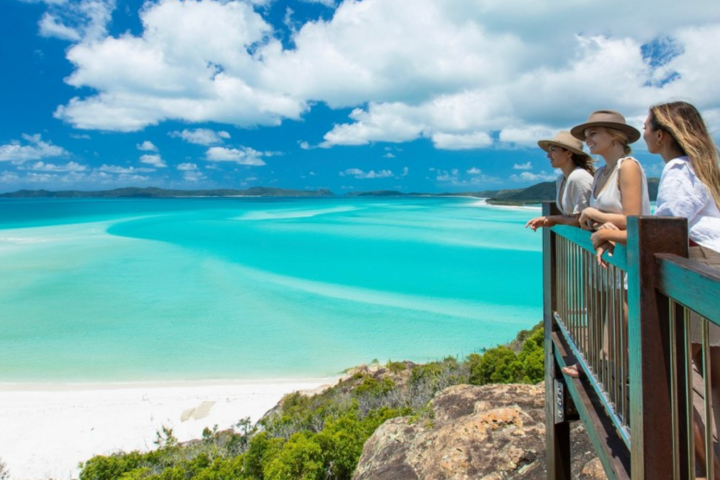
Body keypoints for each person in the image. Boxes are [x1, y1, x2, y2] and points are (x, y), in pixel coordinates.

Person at [591, 102, 720, 469]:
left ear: (662, 134)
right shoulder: (703, 167)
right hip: (712, 265)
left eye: (647, 127)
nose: (644, 132)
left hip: (696, 271)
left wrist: (609, 232)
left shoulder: (678, 170)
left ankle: (708, 468)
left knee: (673, 381)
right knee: (711, 374)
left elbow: (662, 230)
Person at [562, 110, 651, 378]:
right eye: (586, 134)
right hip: (602, 262)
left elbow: (635, 220)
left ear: (615, 136)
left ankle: (635, 406)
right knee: (602, 331)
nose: (587, 139)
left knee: (617, 343)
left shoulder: (628, 167)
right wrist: (599, 224)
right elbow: (594, 221)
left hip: (623, 265)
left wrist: (597, 217)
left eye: (593, 133)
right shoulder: (601, 173)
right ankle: (606, 379)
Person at [525, 131, 594, 231]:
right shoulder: (562, 179)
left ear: (569, 153)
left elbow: (581, 220)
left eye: (553, 150)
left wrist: (553, 219)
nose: (548, 155)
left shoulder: (578, 177)